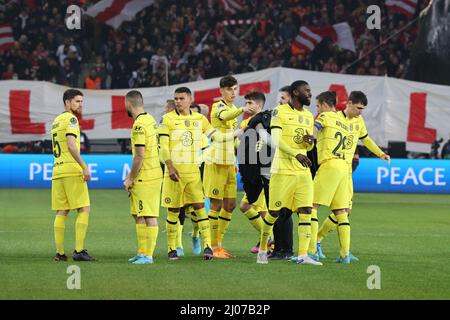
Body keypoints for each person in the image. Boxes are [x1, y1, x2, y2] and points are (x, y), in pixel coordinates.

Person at [159, 87, 241, 260]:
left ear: (190, 99)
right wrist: (170, 166)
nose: (178, 101)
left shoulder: (200, 119)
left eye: (181, 98)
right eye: (176, 98)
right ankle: (171, 248)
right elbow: (164, 147)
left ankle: (207, 247)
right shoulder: (167, 119)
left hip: (193, 172)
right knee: (173, 210)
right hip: (174, 172)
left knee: (199, 208)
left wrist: (236, 133)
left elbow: (216, 137)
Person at [313, 91, 391, 261]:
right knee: (339, 211)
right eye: (358, 108)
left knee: (335, 210)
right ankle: (339, 252)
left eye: (363, 109)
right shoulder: (330, 117)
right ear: (348, 103)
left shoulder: (357, 121)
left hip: (343, 170)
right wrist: (311, 136)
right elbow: (315, 127)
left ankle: (316, 248)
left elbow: (366, 139)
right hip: (333, 165)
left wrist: (380, 154)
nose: (360, 112)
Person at [257, 80, 320, 265]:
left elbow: (308, 144)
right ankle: (262, 249)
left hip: (302, 172)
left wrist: (310, 142)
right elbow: (275, 140)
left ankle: (302, 255)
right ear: (295, 92)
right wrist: (297, 153)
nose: (310, 93)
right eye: (306, 90)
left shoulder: (309, 116)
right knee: (274, 213)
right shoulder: (279, 111)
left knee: (306, 210)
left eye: (310, 90)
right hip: (282, 171)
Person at [203, 75, 257, 258]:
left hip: (229, 162)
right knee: (216, 205)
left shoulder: (235, 109)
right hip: (216, 161)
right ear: (221, 91)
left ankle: (219, 243)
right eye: (229, 89)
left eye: (235, 89)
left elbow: (233, 137)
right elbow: (225, 117)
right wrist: (243, 110)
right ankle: (213, 246)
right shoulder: (218, 107)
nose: (233, 93)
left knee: (231, 205)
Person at [51, 89, 94, 262]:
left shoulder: (56, 121)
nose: (80, 105)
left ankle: (60, 253)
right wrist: (84, 166)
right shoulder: (72, 119)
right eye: (77, 101)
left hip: (57, 170)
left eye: (82, 102)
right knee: (84, 208)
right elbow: (71, 145)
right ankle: (79, 250)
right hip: (71, 169)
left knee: (62, 211)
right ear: (67, 103)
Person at [123, 90, 163, 265]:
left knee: (148, 215)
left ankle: (148, 255)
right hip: (152, 173)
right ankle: (142, 252)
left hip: (146, 176)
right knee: (138, 215)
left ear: (128, 104)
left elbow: (139, 156)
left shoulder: (139, 126)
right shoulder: (150, 120)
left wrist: (130, 178)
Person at [236, 92, 273, 253]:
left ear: (258, 105)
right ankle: (268, 240)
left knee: (253, 208)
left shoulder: (267, 121)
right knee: (253, 208)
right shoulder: (245, 122)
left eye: (249, 102)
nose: (246, 106)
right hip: (251, 171)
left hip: (262, 171)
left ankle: (269, 240)